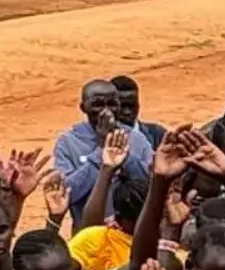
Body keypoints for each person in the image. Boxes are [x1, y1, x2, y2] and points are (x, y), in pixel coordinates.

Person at [52, 80, 155, 221]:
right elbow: (66, 194)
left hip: (131, 231)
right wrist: (100, 151)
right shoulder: (68, 142)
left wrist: (125, 158)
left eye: (112, 104)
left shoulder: (135, 138)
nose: (106, 111)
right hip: (88, 230)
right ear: (83, 107)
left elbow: (152, 185)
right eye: (98, 104)